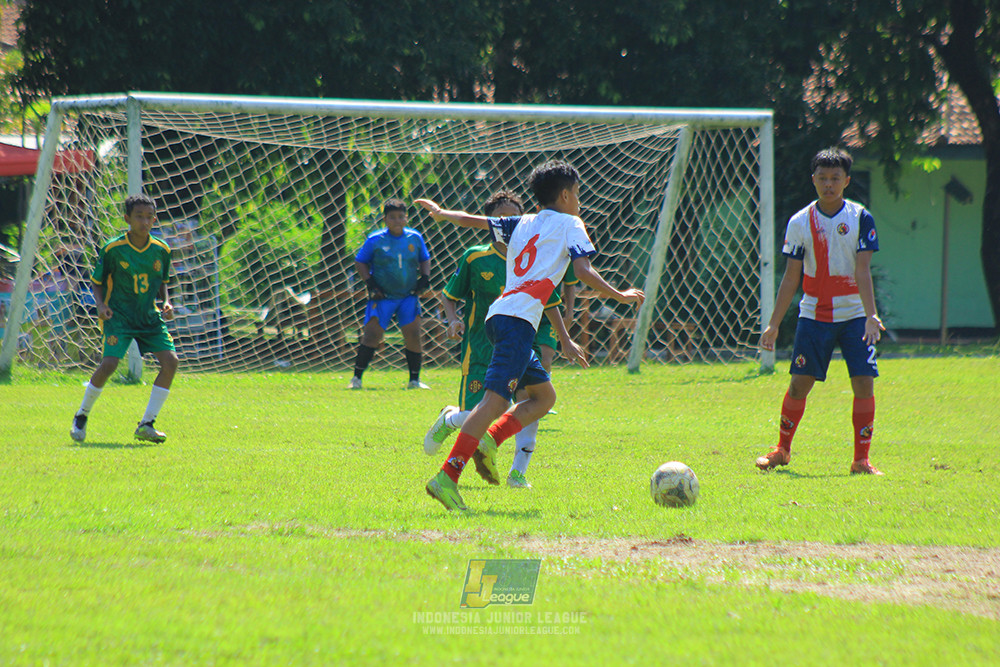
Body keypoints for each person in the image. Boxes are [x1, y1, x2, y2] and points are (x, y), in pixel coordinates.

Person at [416, 159, 645, 511]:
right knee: (494, 403)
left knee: (543, 397)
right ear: (567, 195)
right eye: (578, 194)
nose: (579, 201)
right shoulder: (572, 223)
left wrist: (441, 213)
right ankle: (448, 475)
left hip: (504, 319)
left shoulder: (523, 223)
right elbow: (583, 270)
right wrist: (620, 295)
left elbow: (474, 222)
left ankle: (490, 441)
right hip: (517, 324)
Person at [423, 190, 580, 489]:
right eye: (499, 218)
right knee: (484, 412)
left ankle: (517, 472)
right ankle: (450, 430)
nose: (505, 222)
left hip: (520, 335)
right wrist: (453, 320)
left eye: (511, 216)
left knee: (539, 398)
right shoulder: (476, 256)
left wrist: (564, 338)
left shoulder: (531, 254)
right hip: (482, 343)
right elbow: (450, 294)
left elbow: (550, 299)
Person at [756, 147, 885, 475]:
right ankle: (782, 450)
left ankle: (861, 460)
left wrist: (871, 315)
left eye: (835, 178)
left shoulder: (860, 218)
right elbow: (791, 277)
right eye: (823, 178)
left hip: (855, 315)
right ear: (813, 180)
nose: (829, 184)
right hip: (814, 315)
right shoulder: (800, 222)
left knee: (864, 383)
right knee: (799, 384)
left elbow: (863, 271)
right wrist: (773, 325)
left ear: (846, 181)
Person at [70, 194, 180, 444]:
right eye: (139, 216)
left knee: (171, 362)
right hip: (118, 316)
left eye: (149, 216)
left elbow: (163, 283)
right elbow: (96, 283)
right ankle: (82, 415)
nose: (145, 221)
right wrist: (100, 305)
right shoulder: (113, 249)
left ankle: (147, 424)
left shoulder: (162, 249)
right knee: (109, 365)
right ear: (127, 219)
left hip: (149, 317)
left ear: (154, 219)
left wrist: (166, 301)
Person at [348, 199, 432, 390]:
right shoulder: (375, 239)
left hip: (408, 296)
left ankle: (414, 380)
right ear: (385, 219)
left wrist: (425, 277)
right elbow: (360, 261)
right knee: (372, 335)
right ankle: (356, 378)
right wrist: (369, 283)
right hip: (383, 296)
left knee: (413, 334)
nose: (397, 221)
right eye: (392, 217)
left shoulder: (414, 238)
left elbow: (424, 259)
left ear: (406, 218)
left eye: (401, 217)